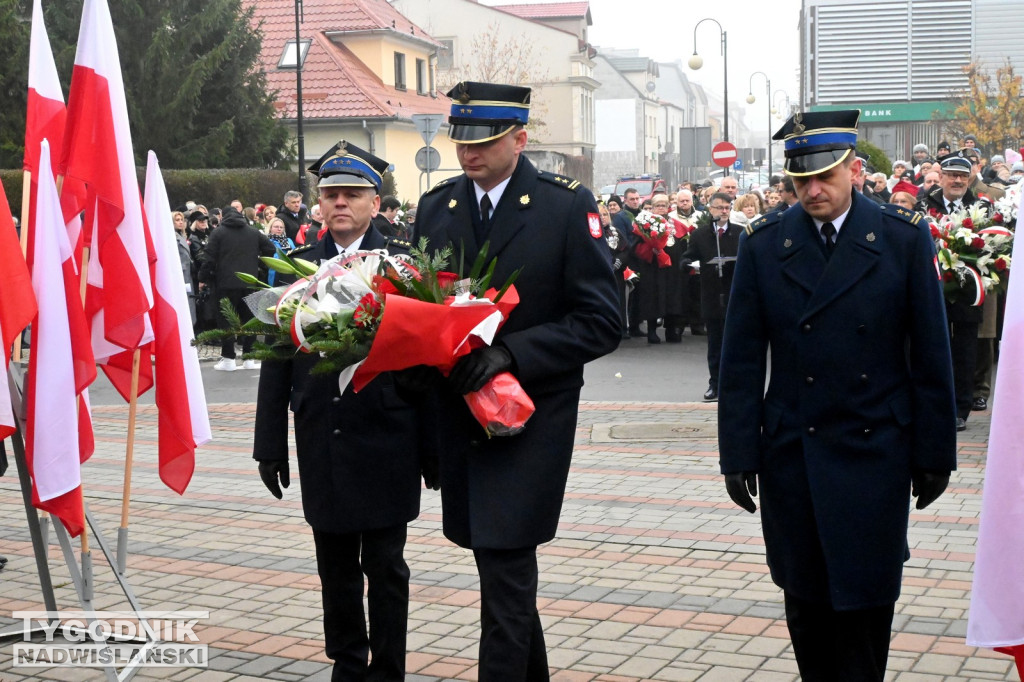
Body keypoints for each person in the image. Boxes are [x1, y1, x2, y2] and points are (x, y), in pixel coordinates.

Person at [718, 110, 956, 681]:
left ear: (853, 169)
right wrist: (738, 454)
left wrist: (935, 453)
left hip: (875, 450)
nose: (812, 190)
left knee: (866, 608)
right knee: (806, 603)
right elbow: (742, 359)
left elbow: (930, 355)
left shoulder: (900, 237)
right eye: (800, 180)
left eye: (823, 176)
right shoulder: (766, 244)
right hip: (793, 451)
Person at [415, 80, 620, 681]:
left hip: (530, 417)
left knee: (505, 563)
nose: (469, 153)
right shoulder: (438, 206)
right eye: (461, 140)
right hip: (459, 415)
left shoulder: (562, 205)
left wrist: (511, 353)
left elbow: (602, 321)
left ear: (520, 138)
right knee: (497, 567)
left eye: (485, 140)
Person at [254, 141, 427, 682]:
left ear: (377, 203)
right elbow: (276, 359)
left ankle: (389, 668)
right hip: (322, 437)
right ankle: (349, 663)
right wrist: (269, 445)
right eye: (330, 195)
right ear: (318, 203)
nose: (340, 204)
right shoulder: (298, 265)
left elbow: (426, 361)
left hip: (387, 436)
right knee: (334, 567)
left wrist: (433, 449)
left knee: (386, 566)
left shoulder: (402, 266)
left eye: (352, 194)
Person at [198, 206, 276, 371]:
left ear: (223, 217)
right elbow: (270, 248)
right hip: (249, 282)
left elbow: (209, 258)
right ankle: (249, 358)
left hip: (224, 283)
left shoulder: (218, 233)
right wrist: (259, 267)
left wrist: (203, 278)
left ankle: (228, 359)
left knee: (225, 320)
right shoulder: (253, 232)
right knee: (249, 320)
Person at [681, 192, 741, 401]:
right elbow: (688, 257)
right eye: (720, 208)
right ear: (710, 209)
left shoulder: (741, 233)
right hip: (711, 296)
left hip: (734, 296)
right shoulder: (700, 235)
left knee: (736, 344)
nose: (724, 212)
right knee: (715, 344)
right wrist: (687, 263)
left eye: (727, 208)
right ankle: (714, 384)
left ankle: (734, 384)